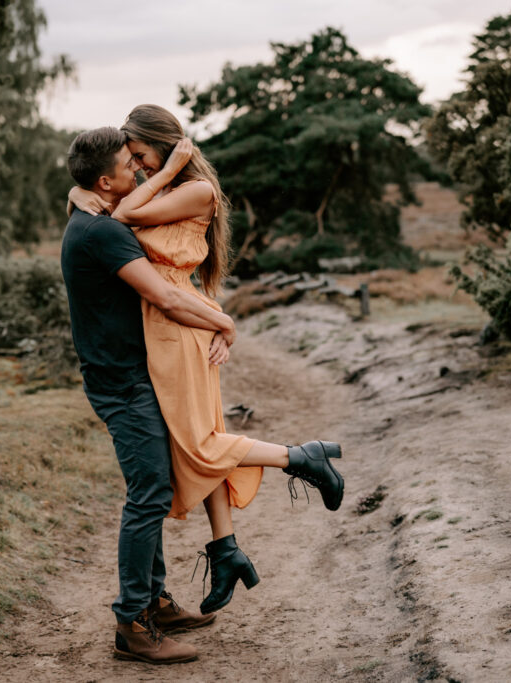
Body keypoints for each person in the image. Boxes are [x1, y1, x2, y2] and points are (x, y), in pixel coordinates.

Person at [67, 105, 344, 623]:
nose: (140, 169)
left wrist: (165, 171)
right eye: (132, 164)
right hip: (167, 325)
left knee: (200, 441)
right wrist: (79, 192)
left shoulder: (191, 190)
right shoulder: (154, 189)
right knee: (199, 439)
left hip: (180, 323)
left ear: (165, 147)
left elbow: (122, 216)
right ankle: (225, 549)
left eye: (143, 157)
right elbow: (110, 204)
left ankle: (300, 457)